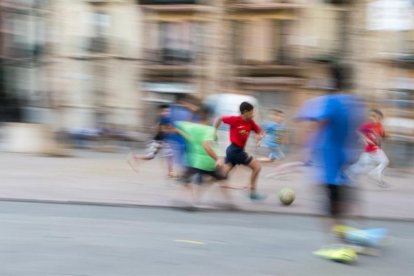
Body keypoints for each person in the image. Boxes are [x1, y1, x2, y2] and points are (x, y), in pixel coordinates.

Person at [297, 63, 366, 261]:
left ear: (330, 82)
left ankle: (338, 246)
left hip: (330, 163)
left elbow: (319, 123)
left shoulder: (330, 102)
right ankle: (348, 238)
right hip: (348, 161)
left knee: (328, 205)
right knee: (342, 201)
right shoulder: (354, 102)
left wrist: (307, 150)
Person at [175, 107, 232, 206]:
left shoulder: (191, 127)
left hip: (194, 161)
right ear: (209, 118)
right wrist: (217, 159)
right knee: (222, 179)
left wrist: (191, 114)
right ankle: (229, 202)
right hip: (209, 162)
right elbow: (206, 145)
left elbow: (178, 125)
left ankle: (191, 200)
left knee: (185, 179)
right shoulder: (209, 130)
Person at [213, 101, 266, 200]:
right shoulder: (235, 120)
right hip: (234, 150)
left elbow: (259, 131)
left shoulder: (250, 122)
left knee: (223, 174)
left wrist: (259, 137)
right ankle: (252, 192)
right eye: (251, 112)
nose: (253, 114)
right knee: (257, 166)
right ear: (245, 112)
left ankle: (207, 178)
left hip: (236, 151)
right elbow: (220, 118)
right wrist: (214, 131)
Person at [347, 109, 389, 187]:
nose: (376, 119)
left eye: (379, 118)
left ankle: (377, 179)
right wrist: (365, 138)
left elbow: (382, 135)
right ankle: (349, 173)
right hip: (369, 150)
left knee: (384, 162)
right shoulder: (368, 125)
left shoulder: (380, 126)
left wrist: (385, 136)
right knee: (362, 165)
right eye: (374, 117)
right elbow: (358, 131)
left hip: (376, 149)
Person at [127, 104, 174, 176]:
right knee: (162, 155)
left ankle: (134, 157)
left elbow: (159, 129)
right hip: (158, 141)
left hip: (159, 141)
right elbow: (161, 130)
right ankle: (170, 172)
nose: (167, 112)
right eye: (165, 111)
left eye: (168, 111)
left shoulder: (161, 118)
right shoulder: (163, 119)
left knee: (154, 156)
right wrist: (162, 141)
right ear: (161, 111)